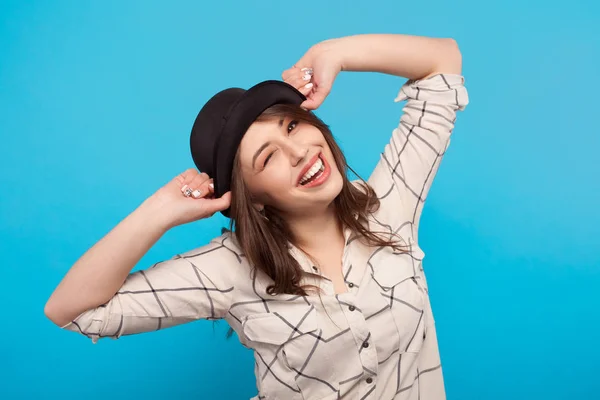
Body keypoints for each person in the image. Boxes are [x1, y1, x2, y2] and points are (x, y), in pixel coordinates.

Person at [45, 33, 468, 400]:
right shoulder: (230, 268)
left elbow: (441, 65)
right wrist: (159, 213)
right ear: (255, 199)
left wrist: (334, 52)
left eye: (291, 127)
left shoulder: (387, 205)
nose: (300, 152)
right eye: (268, 159)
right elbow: (72, 310)